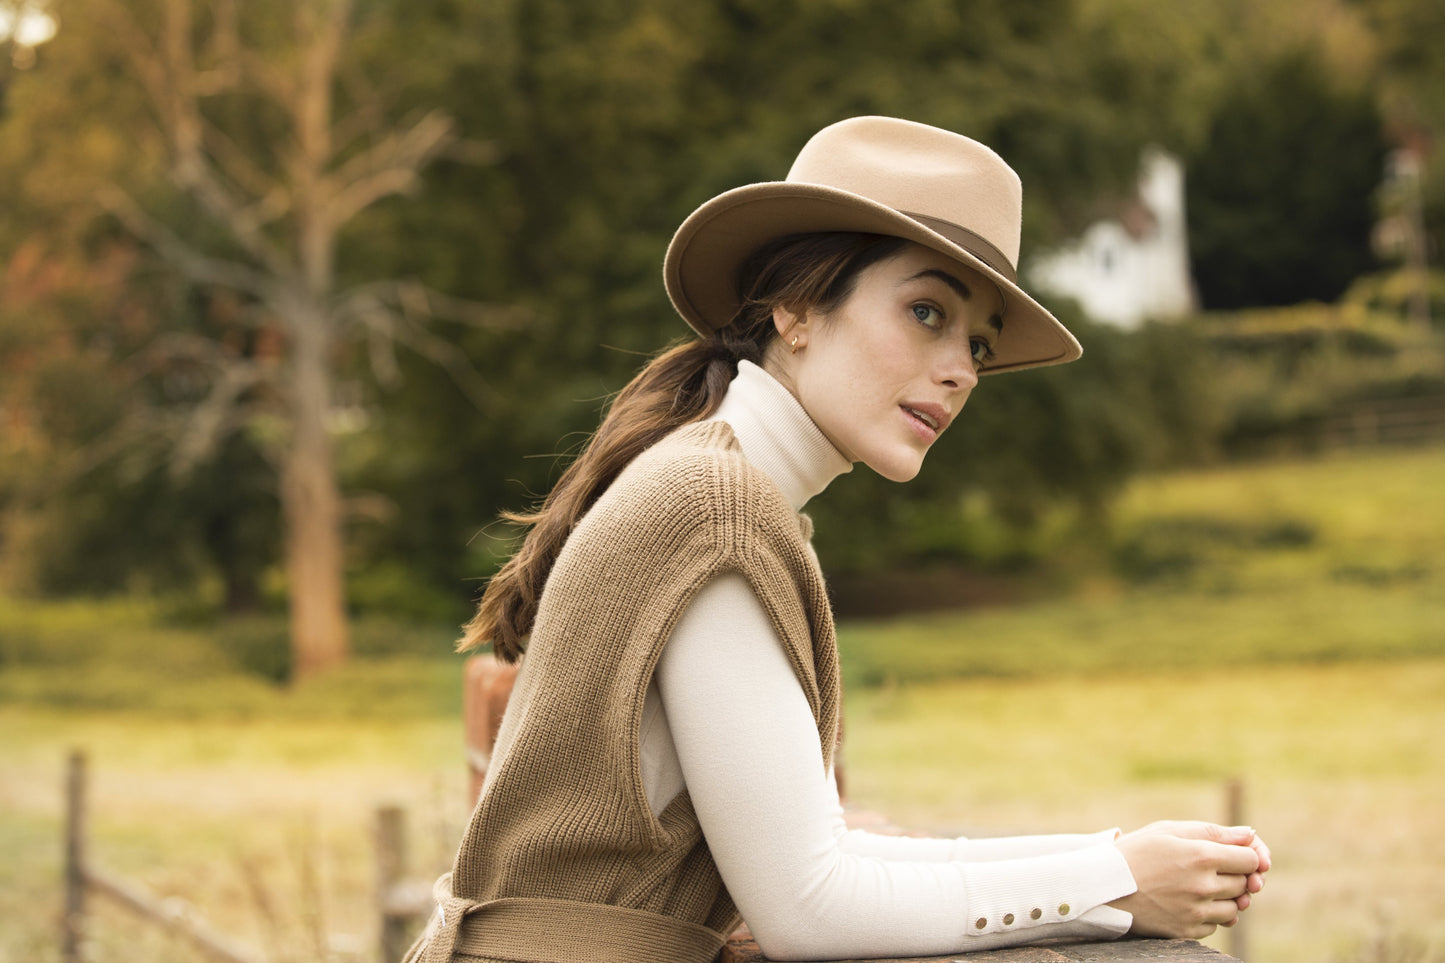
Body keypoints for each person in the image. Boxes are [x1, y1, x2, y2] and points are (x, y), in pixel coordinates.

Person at [409, 116, 1270, 963]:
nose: (962, 369)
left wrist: (1110, 861)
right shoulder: (715, 507)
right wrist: (1113, 884)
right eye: (926, 311)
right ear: (795, 307)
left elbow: (819, 861)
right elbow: (810, 907)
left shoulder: (725, 491)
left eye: (976, 341)